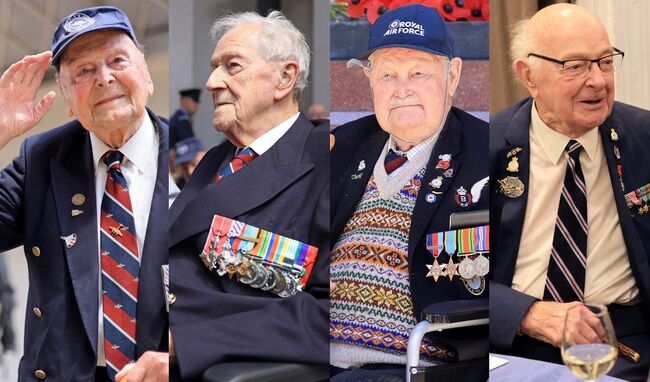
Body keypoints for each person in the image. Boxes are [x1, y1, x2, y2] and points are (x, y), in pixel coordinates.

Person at [0, 6, 169, 381]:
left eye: (117, 60)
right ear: (65, 98)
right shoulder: (40, 161)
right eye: (84, 71)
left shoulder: (193, 159)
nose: (104, 78)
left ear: (146, 74)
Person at [490, 4, 650, 381]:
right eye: (576, 66)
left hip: (620, 344)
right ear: (529, 76)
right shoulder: (488, 148)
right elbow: (453, 277)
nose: (597, 80)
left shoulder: (643, 139)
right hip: (512, 342)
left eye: (606, 62)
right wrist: (526, 314)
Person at [330, 4, 489, 381]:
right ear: (369, 81)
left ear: (453, 76)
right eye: (387, 75)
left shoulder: (485, 152)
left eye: (418, 72)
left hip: (410, 367)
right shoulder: (342, 147)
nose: (401, 90)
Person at [168, 10, 329, 381]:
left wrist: (188, 341)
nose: (211, 82)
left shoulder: (327, 160)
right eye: (213, 67)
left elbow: (334, 313)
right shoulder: (214, 162)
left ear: (284, 78)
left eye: (231, 66)